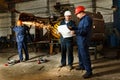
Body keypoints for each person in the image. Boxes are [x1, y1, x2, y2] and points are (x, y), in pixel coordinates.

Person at [73, 6, 93, 78]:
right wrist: (73, 28)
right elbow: (80, 28)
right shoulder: (82, 20)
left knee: (85, 55)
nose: (77, 16)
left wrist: (75, 32)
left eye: (77, 14)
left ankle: (89, 71)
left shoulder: (87, 19)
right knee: (80, 54)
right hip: (80, 40)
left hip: (84, 40)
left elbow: (84, 31)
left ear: (81, 13)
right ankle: (82, 66)